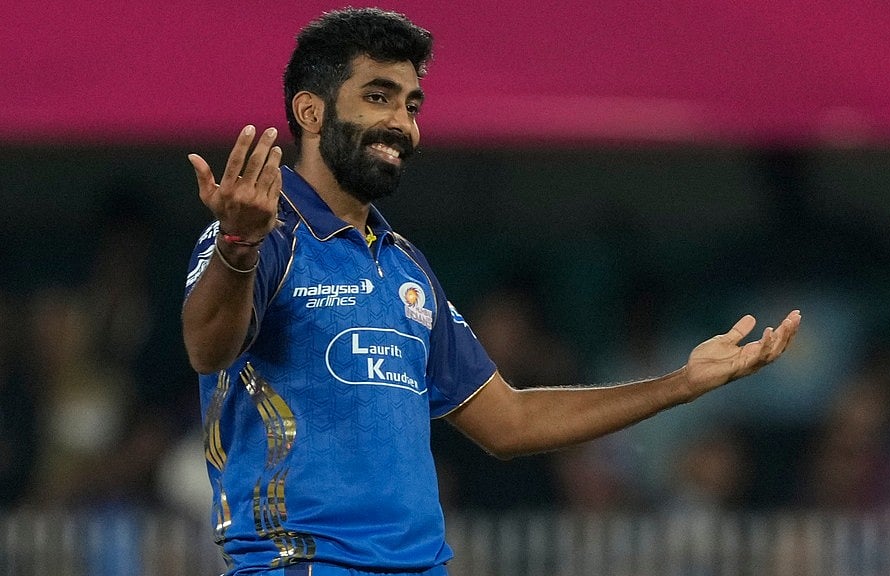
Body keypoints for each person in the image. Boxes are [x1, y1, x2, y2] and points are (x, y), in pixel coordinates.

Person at [181, 8, 801, 576]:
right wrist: (239, 244)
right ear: (311, 111)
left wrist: (682, 384)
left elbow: (510, 421)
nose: (401, 123)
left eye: (411, 105)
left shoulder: (405, 267)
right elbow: (207, 349)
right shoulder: (266, 237)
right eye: (378, 97)